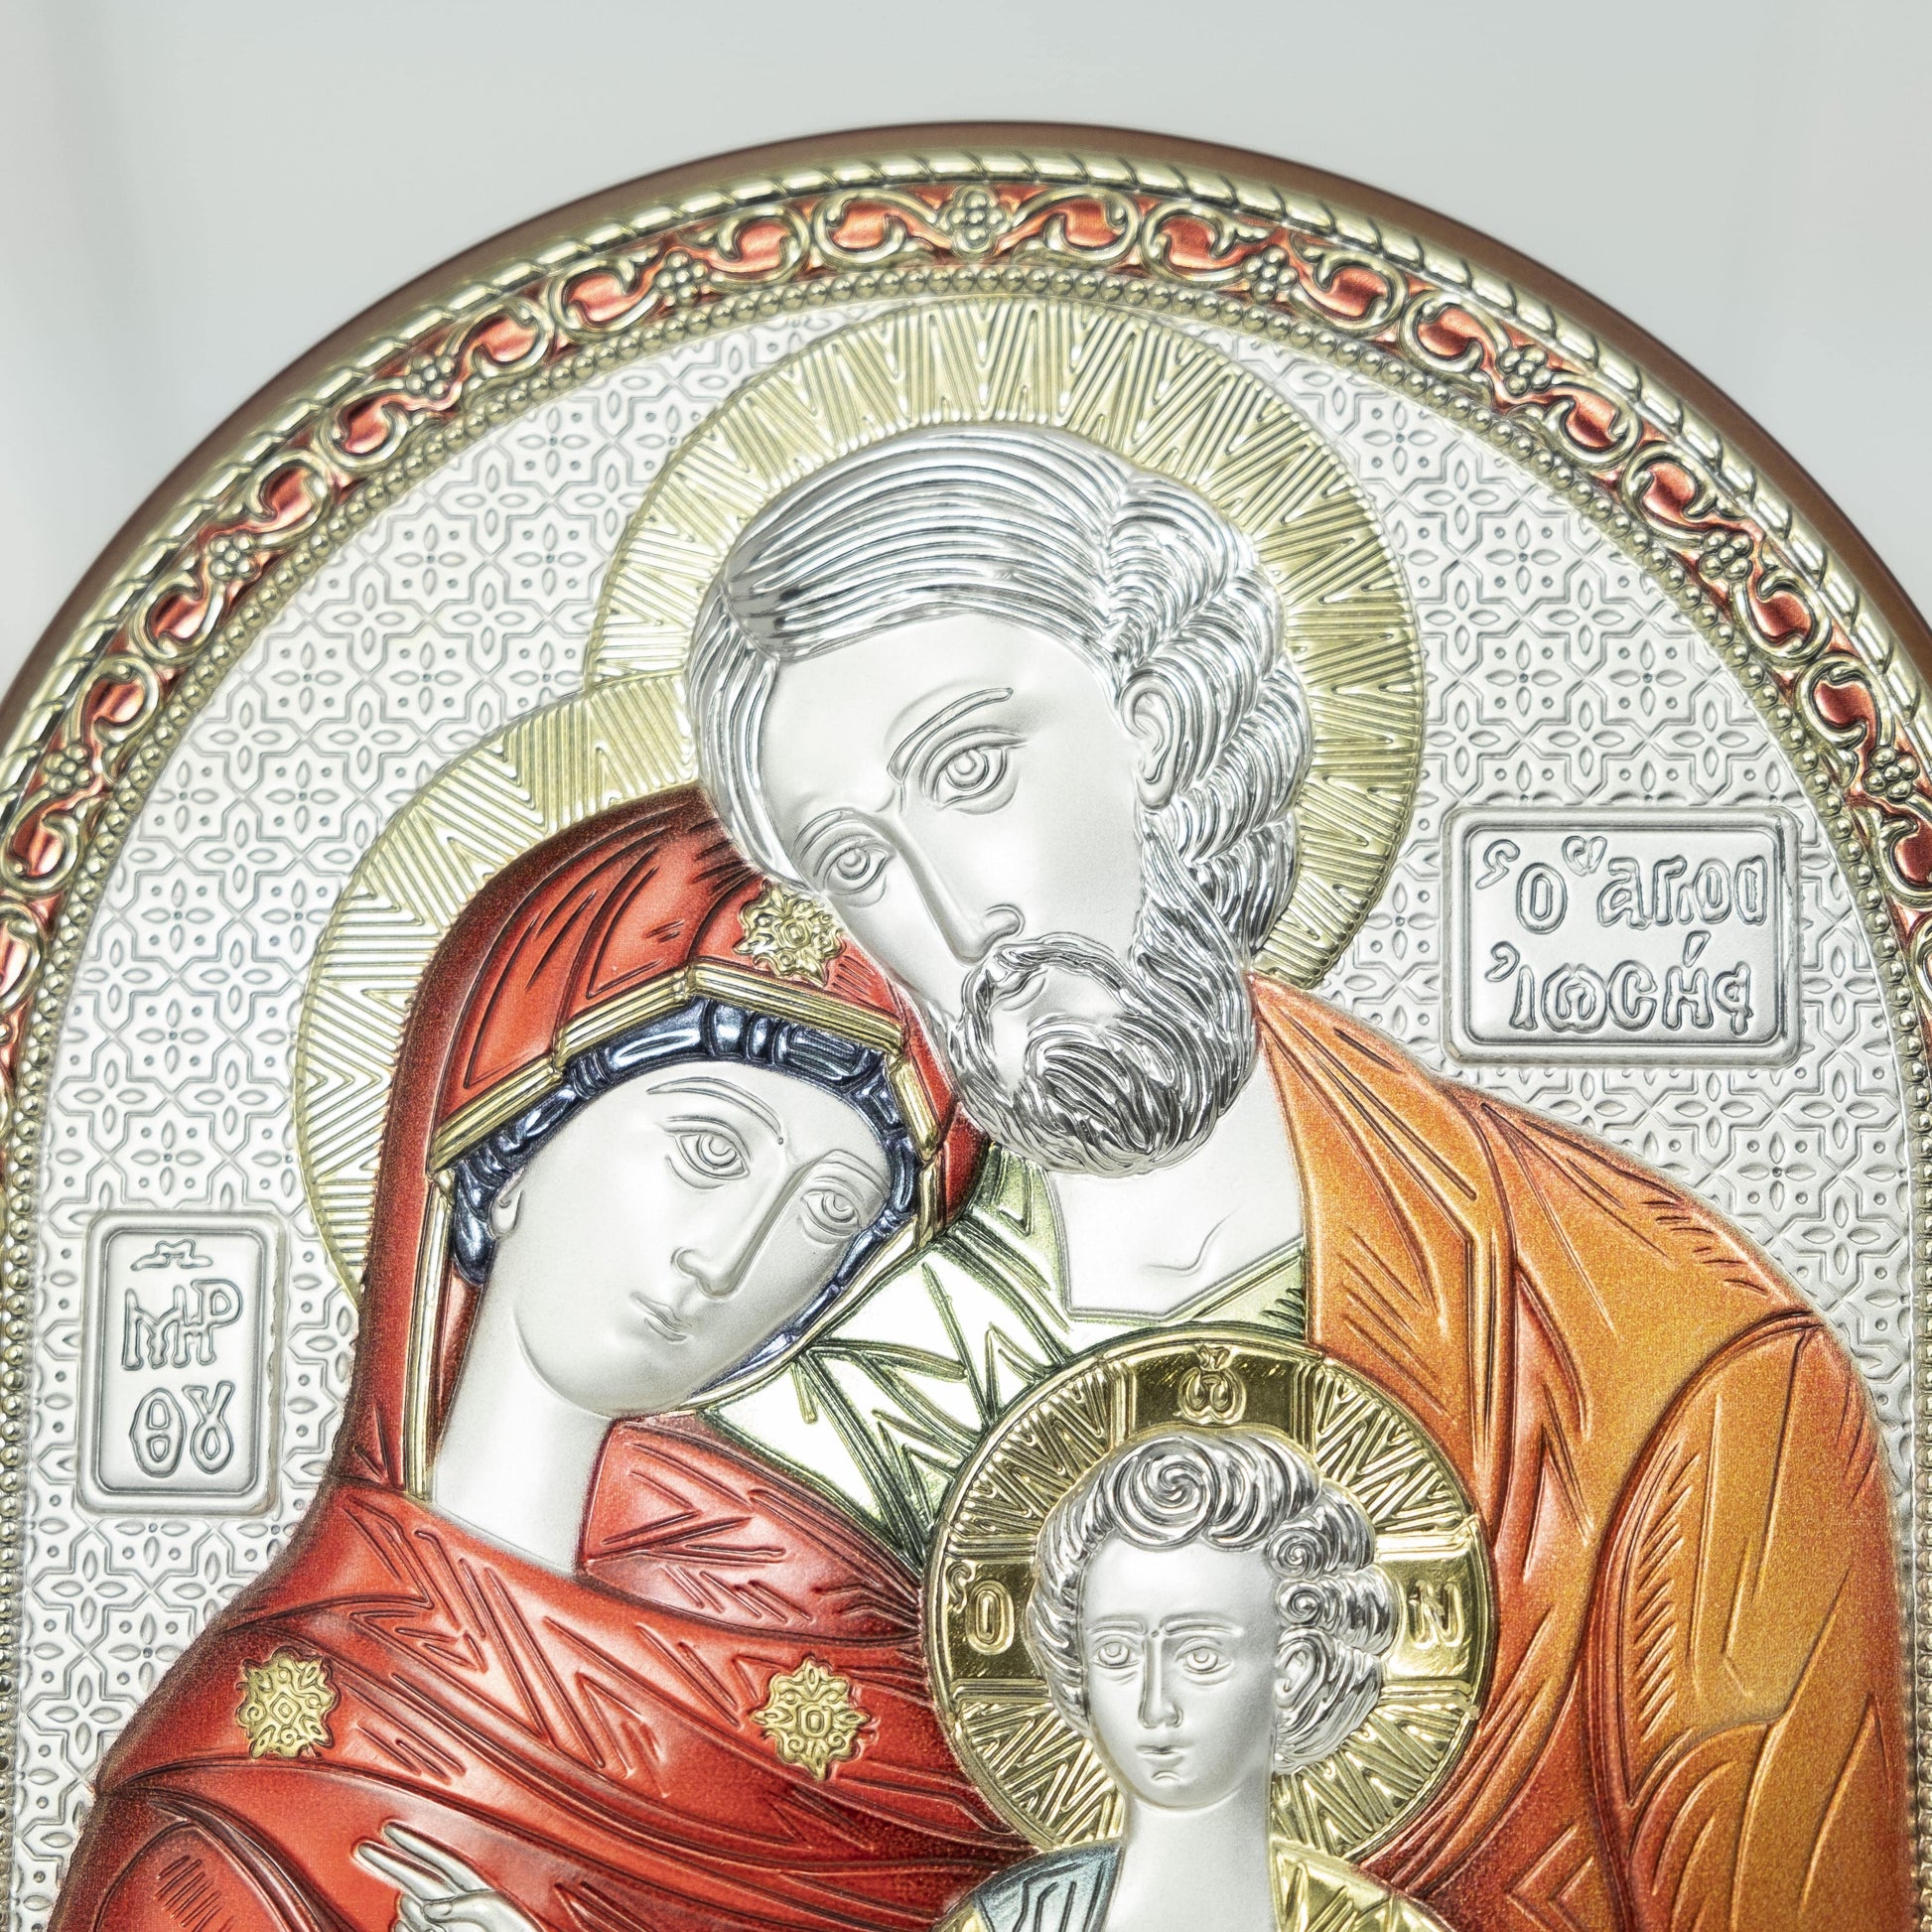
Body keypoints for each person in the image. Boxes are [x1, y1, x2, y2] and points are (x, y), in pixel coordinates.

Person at [685, 423, 1913, 1926]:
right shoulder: (798, 1420)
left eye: (973, 769)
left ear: (1156, 725)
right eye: (858, 860)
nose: (957, 917)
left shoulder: (1647, 1354)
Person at [48, 787, 1023, 1932]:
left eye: (826, 1210)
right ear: (507, 1147)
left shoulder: (885, 1686)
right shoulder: (241, 1798)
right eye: (708, 1148)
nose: (728, 1256)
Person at [943, 1428, 1445, 1932]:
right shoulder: (1007, 1925)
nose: (1154, 1706)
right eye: (1116, 1653)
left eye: (1201, 1656)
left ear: (1294, 1670)